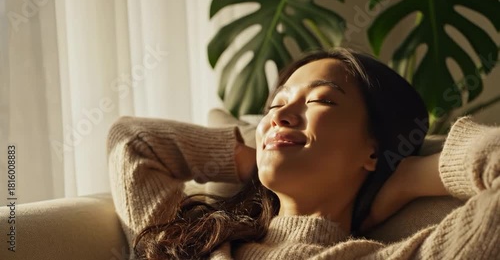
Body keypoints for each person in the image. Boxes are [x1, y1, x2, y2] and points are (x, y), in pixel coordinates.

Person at [107, 48, 500, 259]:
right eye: (275, 106)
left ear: (373, 148)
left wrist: (412, 176)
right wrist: (255, 160)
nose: (281, 117)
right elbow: (132, 139)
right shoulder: (194, 242)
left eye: (321, 100)